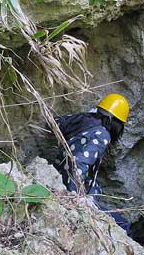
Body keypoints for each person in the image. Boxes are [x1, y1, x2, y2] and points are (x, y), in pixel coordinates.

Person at [53, 93, 132, 236]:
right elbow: (80, 162)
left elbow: (56, 123)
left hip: (57, 177)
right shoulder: (102, 135)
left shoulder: (82, 119)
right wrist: (76, 197)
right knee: (123, 224)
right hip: (71, 190)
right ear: (114, 122)